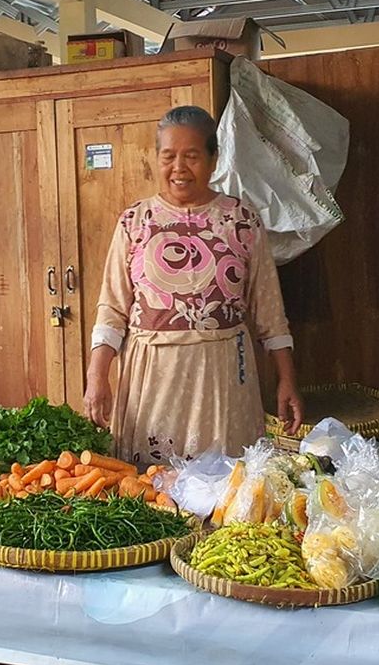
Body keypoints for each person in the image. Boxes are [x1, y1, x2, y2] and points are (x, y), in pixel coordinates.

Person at [83, 105, 303, 465]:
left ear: (214, 160)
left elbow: (270, 310)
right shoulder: (134, 223)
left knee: (225, 489)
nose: (179, 168)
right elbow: (112, 309)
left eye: (192, 156)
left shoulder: (241, 220)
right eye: (168, 156)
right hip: (152, 378)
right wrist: (97, 376)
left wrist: (287, 379)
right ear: (156, 159)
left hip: (222, 377)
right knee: (153, 488)